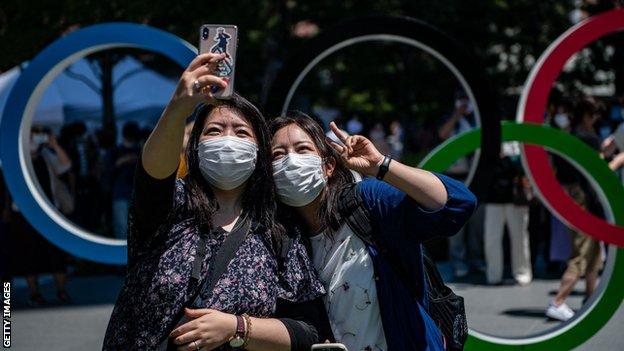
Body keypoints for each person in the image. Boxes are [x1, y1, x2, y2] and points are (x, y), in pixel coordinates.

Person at [103, 52, 327, 350]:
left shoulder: (278, 232)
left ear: (259, 152)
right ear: (195, 148)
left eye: (241, 132)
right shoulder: (172, 207)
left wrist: (237, 327)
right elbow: (153, 173)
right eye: (214, 131)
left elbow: (309, 331)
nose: (227, 139)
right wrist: (178, 107)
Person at [270, 112, 477, 351]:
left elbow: (458, 203)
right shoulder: (281, 241)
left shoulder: (368, 202)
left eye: (302, 149)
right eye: (278, 154)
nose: (291, 161)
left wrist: (381, 166)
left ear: (328, 166)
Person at [546, 97, 605, 321]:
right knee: (582, 252)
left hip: (569, 198)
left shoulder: (568, 137)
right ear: (587, 116)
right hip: (585, 199)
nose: (596, 119)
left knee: (594, 254)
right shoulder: (590, 139)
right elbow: (601, 172)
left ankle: (590, 300)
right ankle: (558, 301)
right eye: (595, 115)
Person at [6, 126, 73, 306]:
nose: (33, 140)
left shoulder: (47, 156)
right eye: (30, 136)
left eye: (35, 136)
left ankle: (61, 290)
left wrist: (54, 145)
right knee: (30, 255)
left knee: (57, 253)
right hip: (24, 214)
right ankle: (34, 293)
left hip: (51, 212)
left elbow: (66, 166)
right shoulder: (15, 158)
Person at [437, 91, 479, 277]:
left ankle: (476, 259)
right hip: (453, 178)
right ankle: (458, 261)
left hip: (472, 174)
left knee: (476, 222)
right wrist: (457, 114)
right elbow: (442, 134)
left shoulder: (474, 120)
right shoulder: (450, 119)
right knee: (456, 221)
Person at [483, 141, 533, 285]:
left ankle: (522, 273)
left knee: (519, 237)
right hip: (493, 197)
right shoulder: (488, 145)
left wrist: (511, 157)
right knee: (491, 239)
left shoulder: (517, 144)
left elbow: (524, 168)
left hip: (515, 198)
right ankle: (493, 275)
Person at [111, 121, 141, 239]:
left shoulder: (140, 151)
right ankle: (121, 256)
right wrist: (121, 162)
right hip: (121, 192)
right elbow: (108, 171)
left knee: (135, 228)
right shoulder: (115, 151)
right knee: (122, 228)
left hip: (137, 193)